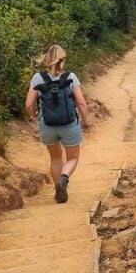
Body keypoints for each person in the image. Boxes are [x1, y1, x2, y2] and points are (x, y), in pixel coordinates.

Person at [24, 45, 90, 203]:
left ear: (47, 58)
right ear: (63, 59)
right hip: (69, 124)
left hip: (47, 125)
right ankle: (64, 178)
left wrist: (34, 116)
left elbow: (28, 104)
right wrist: (85, 121)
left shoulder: (38, 78)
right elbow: (81, 103)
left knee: (55, 158)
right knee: (72, 158)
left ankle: (59, 191)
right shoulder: (71, 77)